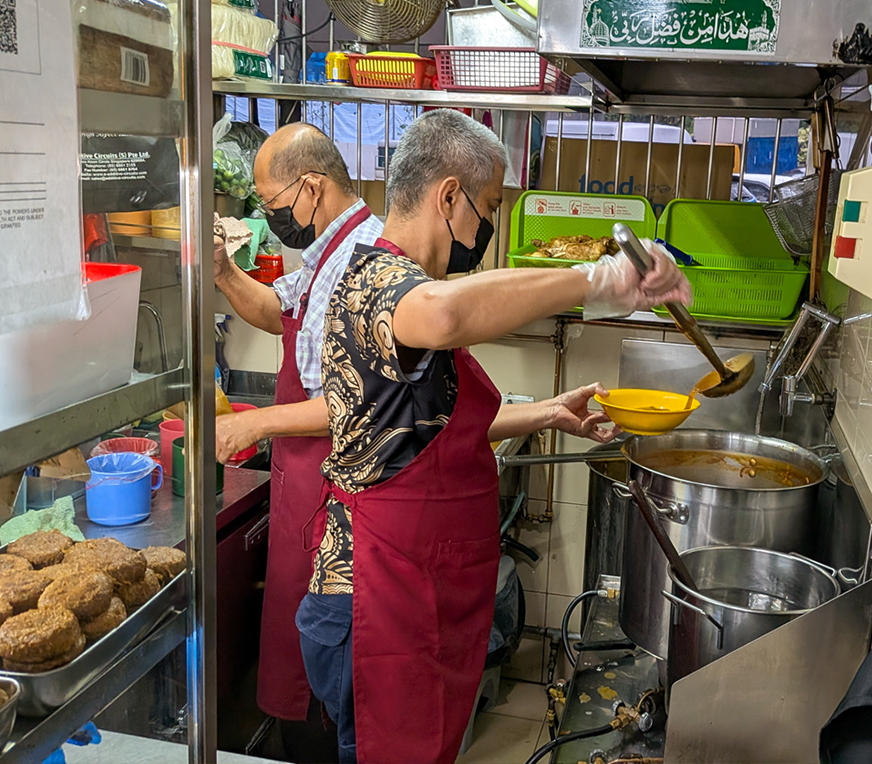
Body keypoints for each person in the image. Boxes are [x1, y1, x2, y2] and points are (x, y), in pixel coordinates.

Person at [294, 109, 691, 764]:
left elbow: (425, 424)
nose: (490, 226)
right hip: (377, 603)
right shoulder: (376, 285)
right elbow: (451, 313)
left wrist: (546, 412)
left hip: (419, 592)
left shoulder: (413, 284)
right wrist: (601, 281)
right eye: (489, 206)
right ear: (448, 196)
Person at [212, 122, 382, 760]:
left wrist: (254, 423)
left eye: (275, 206)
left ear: (312, 187)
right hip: (300, 484)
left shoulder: (362, 260)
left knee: (326, 656)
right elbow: (277, 313)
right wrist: (223, 269)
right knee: (304, 639)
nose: (272, 218)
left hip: (330, 490)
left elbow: (352, 406)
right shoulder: (328, 250)